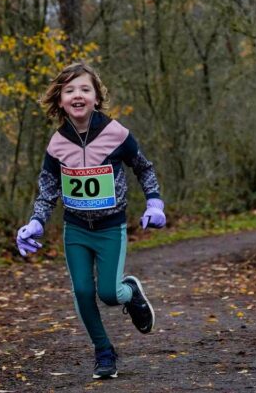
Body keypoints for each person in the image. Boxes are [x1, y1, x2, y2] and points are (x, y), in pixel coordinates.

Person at [14, 61, 167, 380]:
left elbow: (144, 167)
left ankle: (130, 292)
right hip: (76, 230)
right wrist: (36, 221)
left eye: (85, 89)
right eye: (69, 90)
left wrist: (154, 202)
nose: (78, 95)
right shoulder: (57, 143)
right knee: (83, 292)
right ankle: (104, 352)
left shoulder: (116, 133)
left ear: (97, 97)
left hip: (111, 228)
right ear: (60, 100)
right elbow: (48, 188)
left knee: (110, 294)